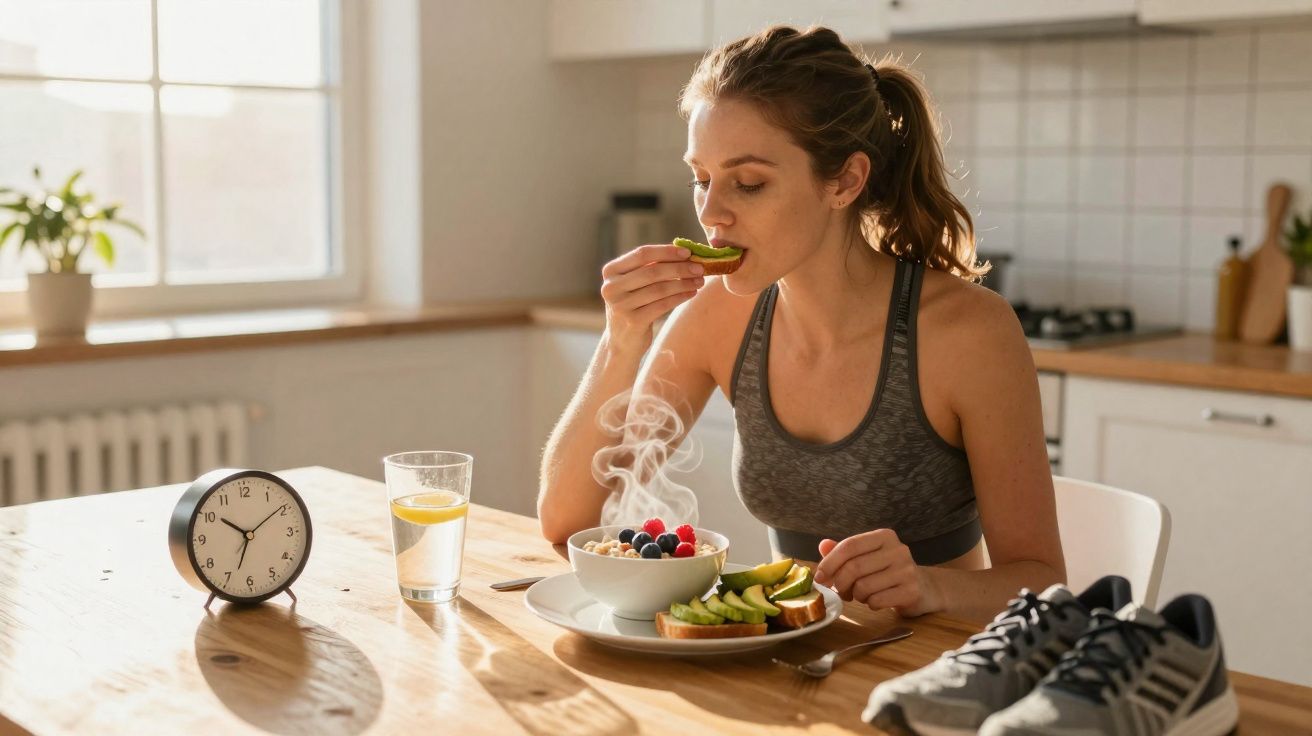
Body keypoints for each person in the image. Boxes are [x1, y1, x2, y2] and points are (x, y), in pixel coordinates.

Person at [538, 25, 1064, 621]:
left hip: (940, 655)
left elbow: (1044, 582)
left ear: (844, 181)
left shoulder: (970, 333)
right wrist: (622, 338)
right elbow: (566, 521)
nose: (711, 213)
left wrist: (929, 586)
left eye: (749, 184)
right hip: (793, 654)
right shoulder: (717, 316)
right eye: (702, 179)